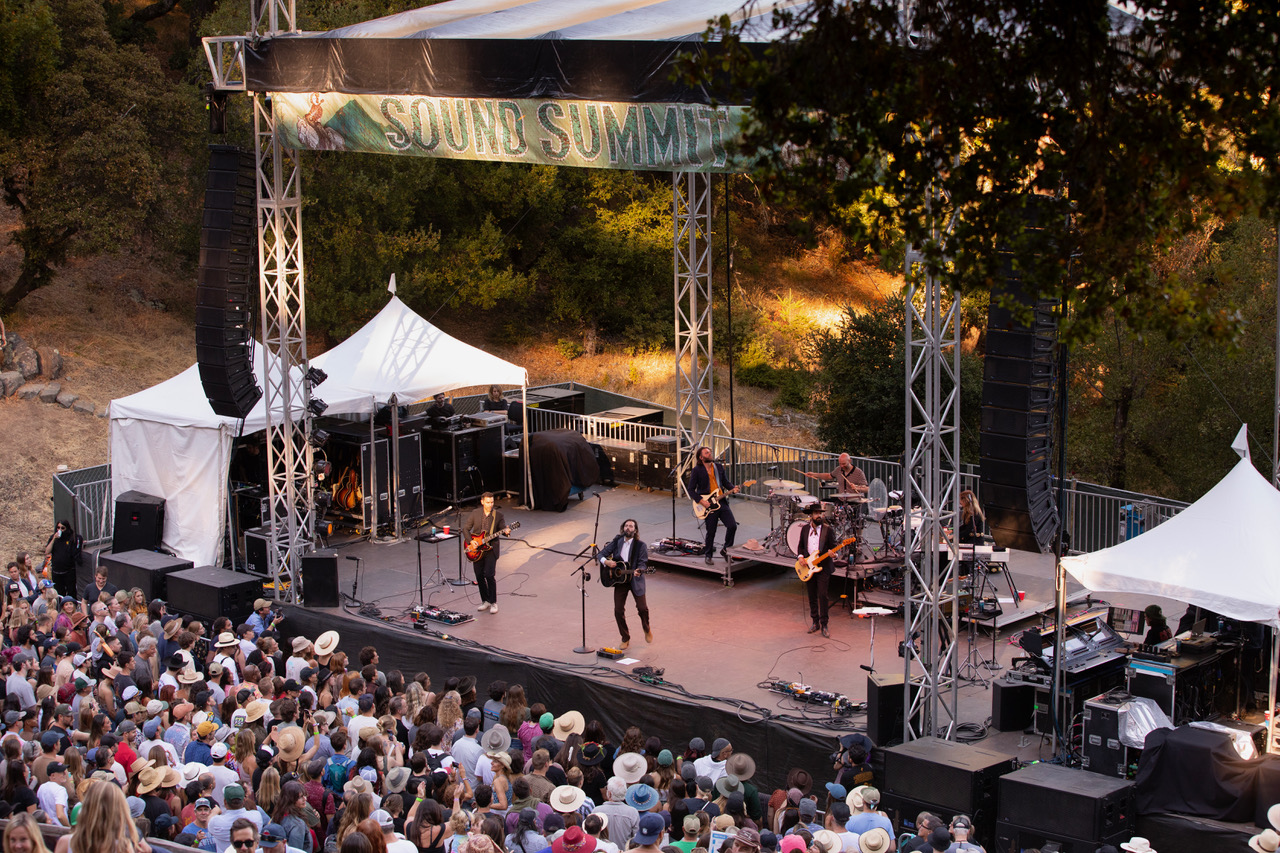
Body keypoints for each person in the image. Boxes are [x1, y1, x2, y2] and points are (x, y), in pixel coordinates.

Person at [597, 520, 652, 650]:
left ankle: (646, 628)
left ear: (635, 530)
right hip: (620, 580)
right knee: (618, 610)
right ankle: (625, 637)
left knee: (642, 608)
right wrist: (607, 562)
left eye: (631, 526)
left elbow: (643, 563)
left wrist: (639, 570)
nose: (628, 528)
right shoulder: (617, 541)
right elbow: (600, 554)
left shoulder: (641, 545)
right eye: (626, 526)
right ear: (623, 528)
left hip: (635, 580)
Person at [688, 446, 741, 566]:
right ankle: (708, 555)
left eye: (710, 452)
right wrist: (702, 501)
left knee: (732, 526)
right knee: (711, 531)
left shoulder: (718, 467)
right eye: (707, 453)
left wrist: (733, 488)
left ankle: (726, 550)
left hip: (721, 501)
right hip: (707, 504)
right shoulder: (697, 470)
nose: (710, 454)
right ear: (701, 457)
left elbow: (725, 482)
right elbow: (691, 490)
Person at [462, 493, 510, 615]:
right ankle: (485, 601)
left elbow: (503, 528)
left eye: (492, 502)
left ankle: (493, 602)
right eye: (488, 502)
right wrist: (470, 542)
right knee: (479, 576)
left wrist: (507, 531)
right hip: (477, 549)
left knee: (489, 575)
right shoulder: (475, 513)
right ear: (482, 502)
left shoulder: (498, 515)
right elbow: (466, 529)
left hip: (491, 549)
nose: (490, 505)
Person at [796, 505, 838, 638]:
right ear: (811, 515)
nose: (819, 515)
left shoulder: (828, 530)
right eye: (816, 513)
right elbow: (801, 547)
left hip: (823, 567)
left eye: (820, 513)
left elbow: (834, 548)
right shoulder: (805, 529)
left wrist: (834, 555)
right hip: (809, 567)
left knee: (823, 595)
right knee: (812, 595)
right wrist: (801, 557)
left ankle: (824, 623)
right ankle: (815, 621)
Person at [46, 520, 79, 599]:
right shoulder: (53, 538)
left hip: (69, 571)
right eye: (58, 528)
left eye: (62, 528)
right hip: (56, 571)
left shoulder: (71, 537)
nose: (60, 530)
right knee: (59, 593)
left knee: (71, 591)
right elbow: (47, 551)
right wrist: (54, 539)